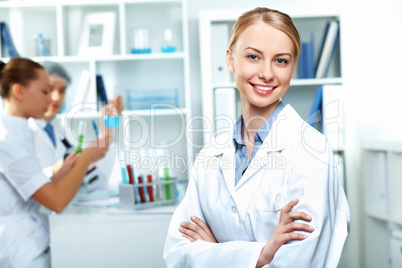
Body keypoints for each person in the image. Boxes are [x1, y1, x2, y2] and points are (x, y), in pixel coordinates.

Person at [164, 7, 350, 268]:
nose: (266, 73)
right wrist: (260, 255)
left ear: (292, 67)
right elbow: (176, 254)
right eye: (253, 56)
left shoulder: (312, 151)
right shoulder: (210, 155)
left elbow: (301, 263)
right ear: (230, 60)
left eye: (281, 61)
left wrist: (215, 251)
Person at [0, 58, 110, 267]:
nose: (51, 98)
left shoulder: (18, 133)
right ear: (19, 92)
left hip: (35, 244)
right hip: (20, 253)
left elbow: (24, 187)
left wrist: (57, 172)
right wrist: (85, 158)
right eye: (44, 91)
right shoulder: (7, 140)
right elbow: (57, 201)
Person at [28, 61, 122, 190]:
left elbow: (95, 181)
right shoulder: (25, 131)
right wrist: (59, 169)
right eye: (49, 89)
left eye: (62, 91)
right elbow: (30, 184)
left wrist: (107, 128)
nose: (56, 97)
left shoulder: (66, 133)